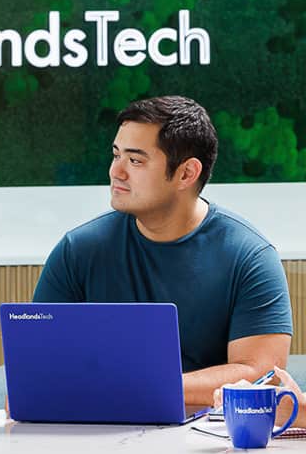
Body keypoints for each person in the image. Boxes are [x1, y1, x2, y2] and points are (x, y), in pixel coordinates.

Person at [34, 95, 292, 407]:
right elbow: (35, 377)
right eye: (116, 155)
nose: (116, 171)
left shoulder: (250, 256)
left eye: (135, 161)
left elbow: (262, 376)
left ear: (186, 173)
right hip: (99, 429)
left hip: (210, 434)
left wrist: (137, 386)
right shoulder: (77, 250)